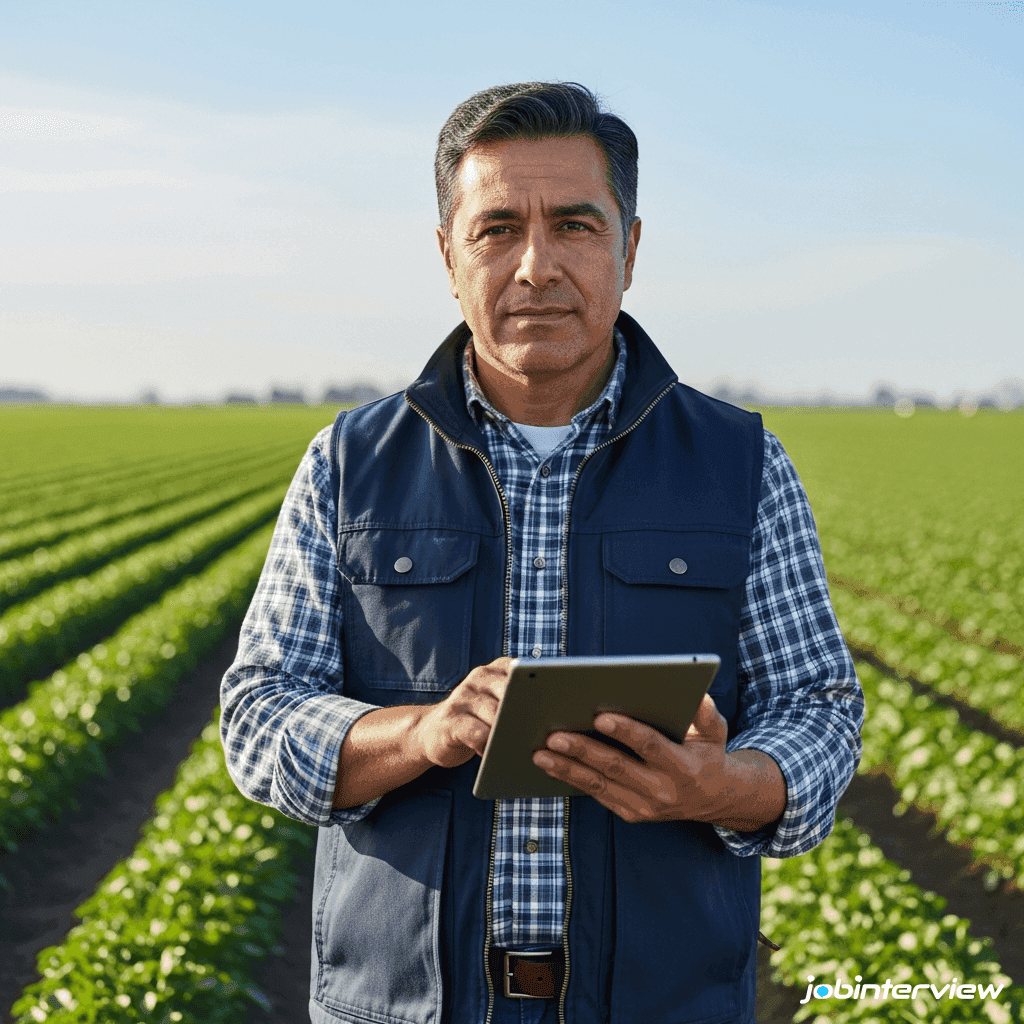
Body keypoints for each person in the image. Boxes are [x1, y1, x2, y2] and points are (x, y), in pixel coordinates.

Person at [220, 81, 864, 1024]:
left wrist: (726, 785)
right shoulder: (348, 464)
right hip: (401, 1008)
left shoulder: (741, 464)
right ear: (448, 255)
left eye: (574, 225)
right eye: (496, 229)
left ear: (628, 250)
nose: (535, 265)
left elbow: (819, 710)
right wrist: (421, 734)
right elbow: (259, 712)